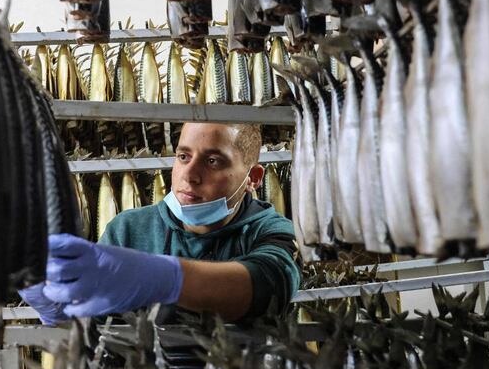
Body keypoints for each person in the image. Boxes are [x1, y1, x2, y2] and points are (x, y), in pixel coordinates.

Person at [20, 122, 301, 323]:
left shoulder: (270, 229)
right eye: (183, 156)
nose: (189, 175)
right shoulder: (128, 229)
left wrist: (163, 278)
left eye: (213, 161)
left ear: (253, 178)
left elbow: (271, 286)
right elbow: (96, 322)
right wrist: (60, 306)